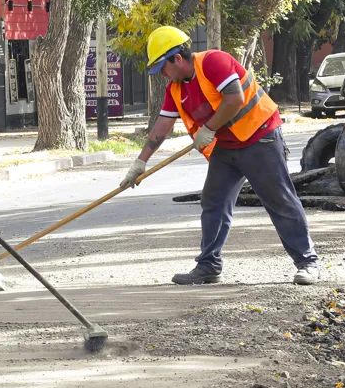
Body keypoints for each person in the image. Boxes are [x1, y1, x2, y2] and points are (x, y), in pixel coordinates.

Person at [125, 26, 320, 286]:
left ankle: (308, 262)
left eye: (163, 67)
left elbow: (234, 98)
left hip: (259, 137)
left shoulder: (213, 62)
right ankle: (209, 266)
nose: (162, 74)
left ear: (177, 58)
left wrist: (208, 129)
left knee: (279, 200)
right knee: (214, 201)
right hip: (227, 146)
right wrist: (140, 162)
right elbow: (162, 125)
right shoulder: (175, 89)